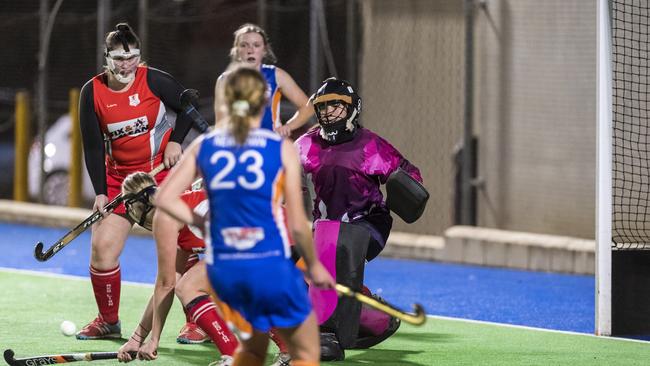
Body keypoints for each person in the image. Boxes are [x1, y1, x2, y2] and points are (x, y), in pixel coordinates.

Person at [155, 66, 335, 366]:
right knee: (306, 352)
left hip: (225, 268)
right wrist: (314, 267)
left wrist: (202, 222)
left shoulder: (204, 146)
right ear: (262, 104)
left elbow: (163, 198)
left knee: (251, 352)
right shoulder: (281, 148)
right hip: (267, 262)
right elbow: (297, 223)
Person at [76, 22, 197, 340]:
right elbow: (91, 145)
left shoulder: (154, 79)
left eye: (132, 58)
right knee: (102, 250)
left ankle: (196, 319)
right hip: (120, 184)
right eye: (119, 59)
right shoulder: (92, 92)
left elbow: (189, 103)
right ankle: (108, 320)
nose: (126, 65)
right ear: (107, 58)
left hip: (162, 178)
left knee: (187, 247)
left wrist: (176, 140)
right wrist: (101, 192)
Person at [295, 77, 424, 361]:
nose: (329, 112)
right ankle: (375, 318)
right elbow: (283, 182)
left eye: (336, 106)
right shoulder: (304, 145)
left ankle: (327, 334)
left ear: (353, 109)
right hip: (323, 231)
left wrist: (407, 192)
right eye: (324, 106)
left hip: (367, 225)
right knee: (290, 272)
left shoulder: (372, 145)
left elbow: (409, 175)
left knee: (333, 243)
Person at [116, 172, 240, 366]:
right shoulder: (177, 208)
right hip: (269, 235)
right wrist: (137, 339)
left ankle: (235, 355)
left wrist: (154, 341)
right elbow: (169, 282)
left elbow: (166, 285)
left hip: (255, 241)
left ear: (137, 207)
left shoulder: (165, 218)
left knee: (188, 287)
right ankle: (286, 353)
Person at [214, 23, 313, 137]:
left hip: (268, 141)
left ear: (264, 50)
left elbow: (307, 108)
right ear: (237, 50)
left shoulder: (276, 75)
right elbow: (220, 122)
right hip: (238, 143)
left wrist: (287, 127)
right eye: (244, 45)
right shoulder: (225, 79)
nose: (250, 50)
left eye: (256, 45)